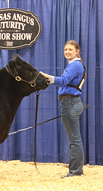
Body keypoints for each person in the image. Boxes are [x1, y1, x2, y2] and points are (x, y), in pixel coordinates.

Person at [41, 40, 86, 178]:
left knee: (75, 140)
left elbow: (63, 81)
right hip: (72, 103)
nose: (67, 52)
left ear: (77, 51)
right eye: (65, 49)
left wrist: (45, 77)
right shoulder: (77, 65)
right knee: (75, 139)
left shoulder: (75, 65)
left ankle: (76, 171)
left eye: (70, 49)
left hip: (70, 103)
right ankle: (76, 169)